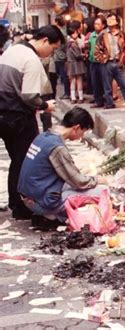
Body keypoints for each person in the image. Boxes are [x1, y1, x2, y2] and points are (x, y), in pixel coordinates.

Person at [0, 25, 62, 220]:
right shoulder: (32, 60)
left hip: (2, 112)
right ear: (44, 41)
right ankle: (21, 206)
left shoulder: (13, 49)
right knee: (25, 161)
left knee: (17, 159)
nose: (50, 54)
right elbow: (29, 96)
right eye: (52, 49)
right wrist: (45, 105)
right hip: (17, 116)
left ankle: (15, 202)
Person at [18, 107, 108, 229]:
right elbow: (78, 181)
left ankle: (49, 214)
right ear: (76, 128)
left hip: (29, 196)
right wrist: (97, 180)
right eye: (83, 132)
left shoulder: (43, 136)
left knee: (75, 187)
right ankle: (53, 216)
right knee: (102, 190)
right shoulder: (57, 148)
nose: (81, 136)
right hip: (41, 202)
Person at [94, 13, 125, 108]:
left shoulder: (121, 34)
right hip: (107, 62)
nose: (110, 21)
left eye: (112, 19)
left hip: (118, 62)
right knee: (107, 85)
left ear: (116, 21)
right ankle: (109, 103)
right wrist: (102, 59)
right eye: (108, 19)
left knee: (124, 84)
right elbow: (97, 49)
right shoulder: (103, 34)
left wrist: (123, 58)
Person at [87, 15, 106, 108]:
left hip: (103, 62)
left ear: (103, 25)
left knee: (104, 82)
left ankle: (106, 99)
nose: (96, 25)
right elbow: (89, 47)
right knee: (95, 82)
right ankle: (98, 100)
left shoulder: (105, 35)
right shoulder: (92, 35)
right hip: (93, 61)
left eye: (98, 24)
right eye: (95, 24)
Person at [66, 25, 87, 104]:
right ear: (71, 34)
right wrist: (83, 55)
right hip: (77, 63)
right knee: (79, 80)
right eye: (74, 33)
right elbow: (77, 55)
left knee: (72, 81)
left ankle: (73, 97)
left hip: (70, 63)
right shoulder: (73, 43)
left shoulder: (68, 43)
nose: (76, 34)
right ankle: (80, 97)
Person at [53, 17, 70, 100]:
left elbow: (64, 45)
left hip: (61, 56)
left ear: (56, 22)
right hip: (59, 56)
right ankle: (66, 92)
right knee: (62, 75)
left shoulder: (61, 33)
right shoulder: (60, 31)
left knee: (64, 75)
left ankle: (67, 93)